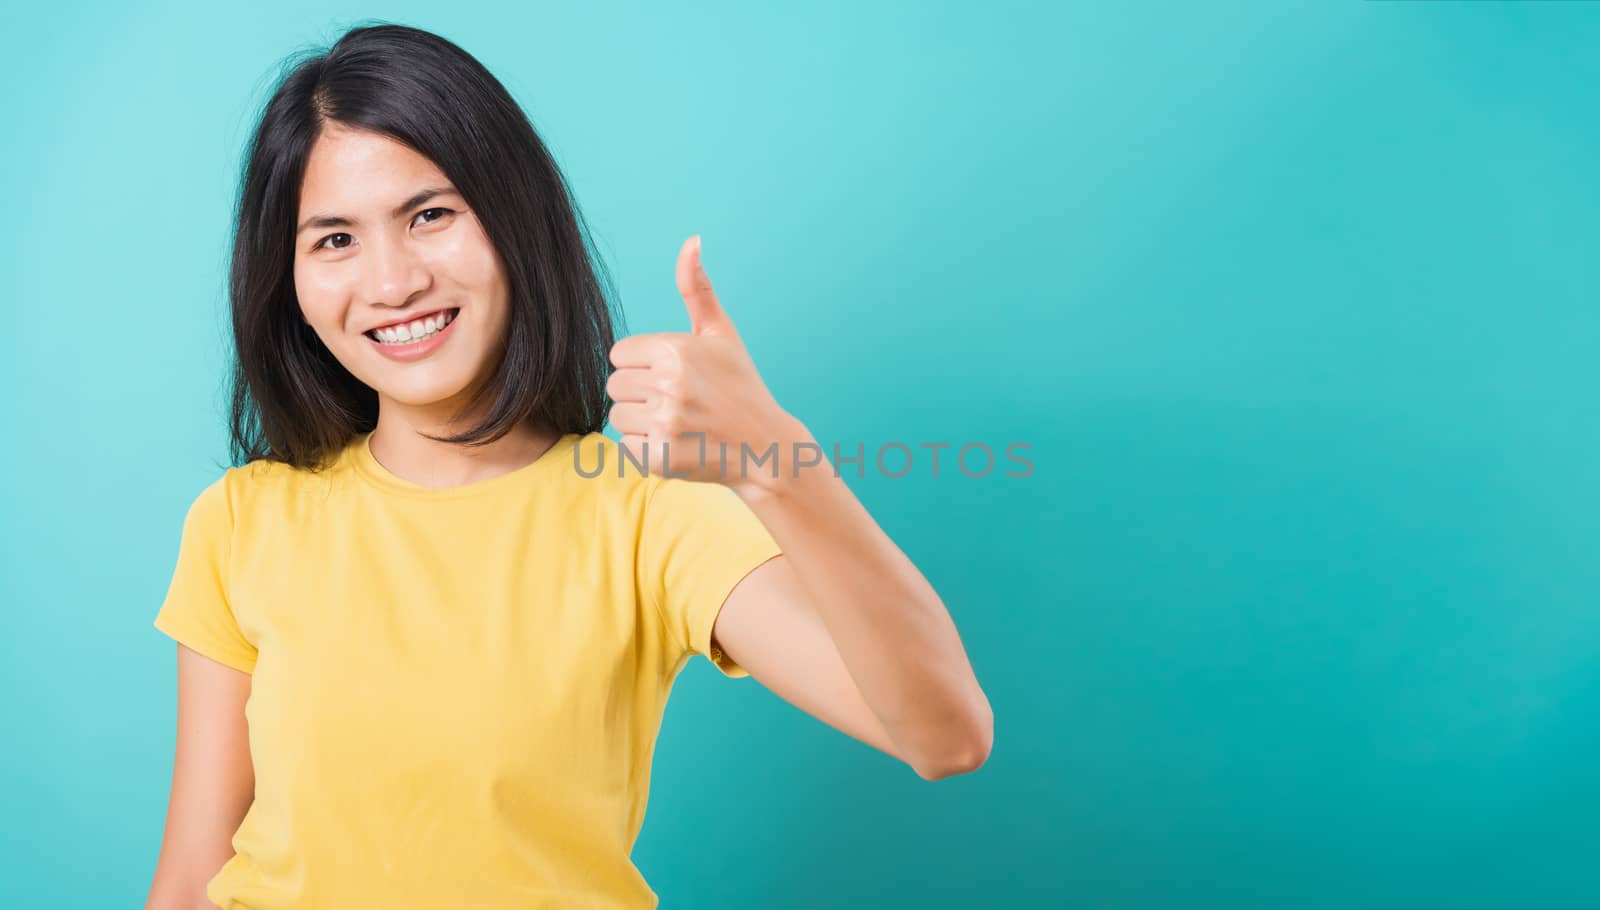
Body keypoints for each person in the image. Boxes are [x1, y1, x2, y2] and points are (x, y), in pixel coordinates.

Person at [145, 22, 993, 910]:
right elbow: (190, 880)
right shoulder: (242, 522)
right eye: (334, 240)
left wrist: (778, 462)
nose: (391, 281)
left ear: (514, 222)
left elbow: (945, 736)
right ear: (289, 284)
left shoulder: (644, 515)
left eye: (430, 215)